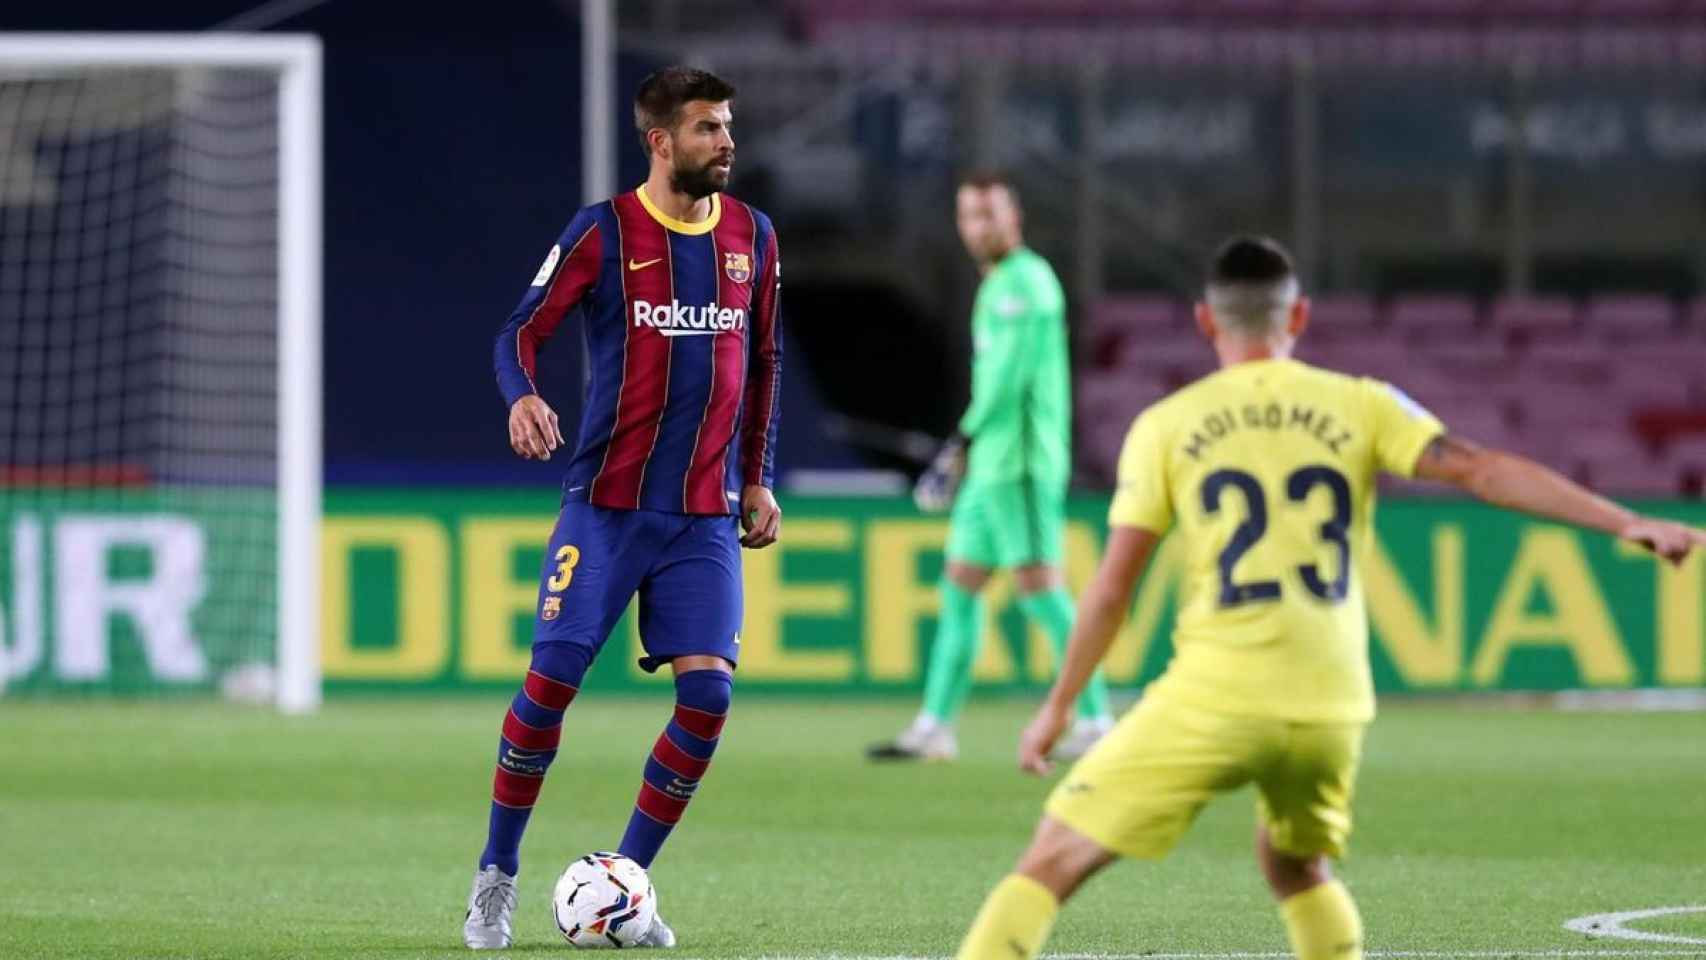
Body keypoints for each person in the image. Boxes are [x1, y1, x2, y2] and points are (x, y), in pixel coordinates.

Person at [953, 235, 1705, 960]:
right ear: (1299, 316)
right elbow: (1483, 470)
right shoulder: (1362, 403)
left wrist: (1059, 705)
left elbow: (1114, 590)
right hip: (1331, 704)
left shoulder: (1166, 426)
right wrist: (1623, 519)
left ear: (1206, 321)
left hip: (1218, 694)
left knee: (1051, 859)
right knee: (1294, 866)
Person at [462, 66, 784, 950]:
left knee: (709, 699)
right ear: (660, 140)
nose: (726, 141)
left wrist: (757, 477)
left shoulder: (753, 236)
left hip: (702, 520)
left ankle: (628, 883)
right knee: (550, 687)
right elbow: (518, 331)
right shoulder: (604, 233)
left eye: (727, 125)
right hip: (606, 509)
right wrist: (521, 395)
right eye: (709, 128)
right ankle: (497, 873)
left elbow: (763, 365)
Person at [867, 172, 1116, 763]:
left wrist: (961, 441)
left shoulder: (1026, 282)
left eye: (990, 214)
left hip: (1021, 463)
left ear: (1015, 217)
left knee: (1039, 589)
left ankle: (1097, 718)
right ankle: (935, 727)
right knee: (959, 587)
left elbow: (1010, 379)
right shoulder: (1000, 283)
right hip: (991, 466)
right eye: (969, 215)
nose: (979, 227)